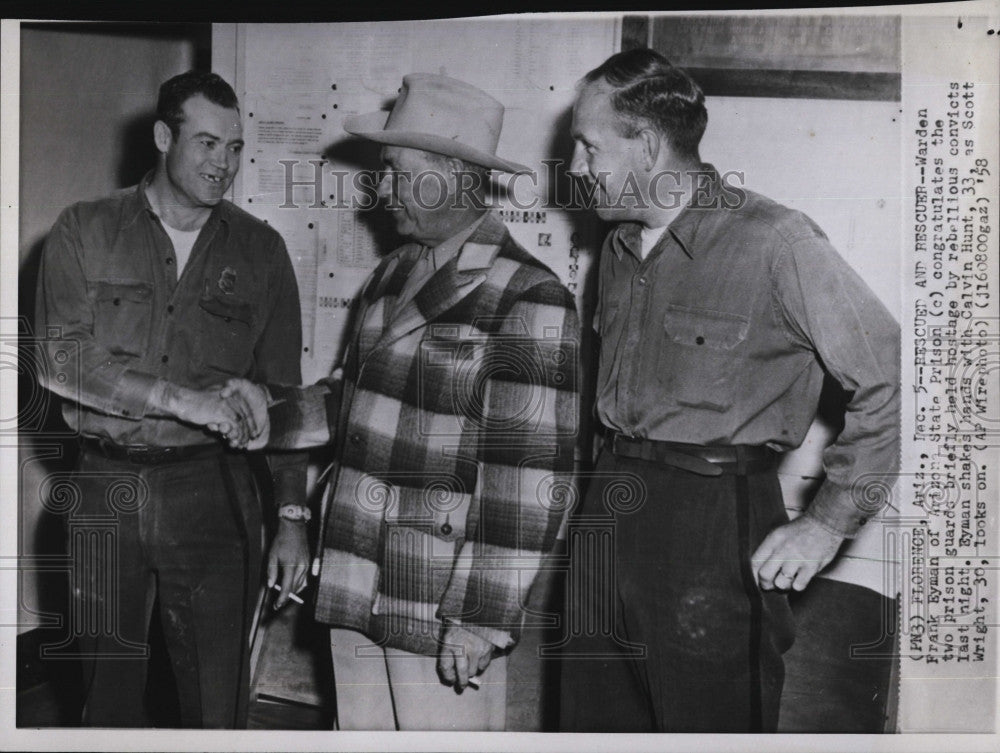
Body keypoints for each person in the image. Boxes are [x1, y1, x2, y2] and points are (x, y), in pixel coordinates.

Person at [558, 49, 900, 733]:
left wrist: (828, 520)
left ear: (647, 145)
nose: (574, 168)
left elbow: (883, 372)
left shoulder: (775, 240)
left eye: (588, 146)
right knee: (590, 723)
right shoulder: (619, 249)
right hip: (608, 506)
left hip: (714, 520)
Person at [223, 73, 580, 731]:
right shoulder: (391, 277)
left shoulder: (527, 296)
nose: (378, 188)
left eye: (393, 171)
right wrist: (263, 411)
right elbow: (345, 402)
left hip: (441, 607)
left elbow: (526, 478)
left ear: (452, 172)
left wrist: (480, 620)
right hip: (356, 582)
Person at [34, 70, 309, 728]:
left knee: (216, 703)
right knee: (108, 700)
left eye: (236, 148)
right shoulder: (84, 230)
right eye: (208, 143)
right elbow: (58, 358)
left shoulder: (263, 251)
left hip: (212, 493)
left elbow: (283, 396)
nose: (224, 164)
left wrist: (294, 513)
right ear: (163, 136)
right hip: (106, 486)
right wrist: (180, 400)